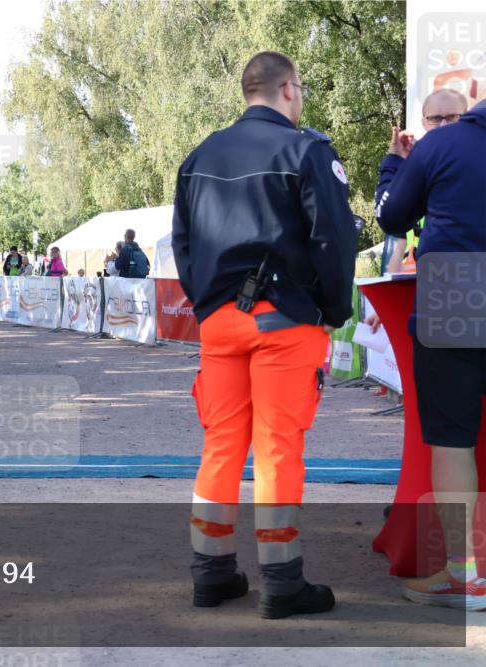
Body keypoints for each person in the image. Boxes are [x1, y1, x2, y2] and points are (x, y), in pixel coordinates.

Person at [172, 51, 358, 619]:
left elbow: (182, 244)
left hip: (220, 324)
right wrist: (332, 309)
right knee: (278, 449)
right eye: (300, 90)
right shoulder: (307, 151)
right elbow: (334, 239)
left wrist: (209, 305)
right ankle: (282, 583)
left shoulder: (200, 156)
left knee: (221, 445)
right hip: (284, 321)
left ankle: (213, 574)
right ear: (289, 89)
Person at [375, 98, 486, 610]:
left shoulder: (442, 144)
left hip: (453, 296)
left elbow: (392, 215)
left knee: (452, 441)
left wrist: (393, 164)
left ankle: (466, 577)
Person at [367, 89, 470, 332]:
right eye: (436, 118)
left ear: (467, 117)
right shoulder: (418, 168)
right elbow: (398, 241)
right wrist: (385, 305)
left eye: (453, 117)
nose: (444, 124)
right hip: (424, 298)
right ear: (424, 121)